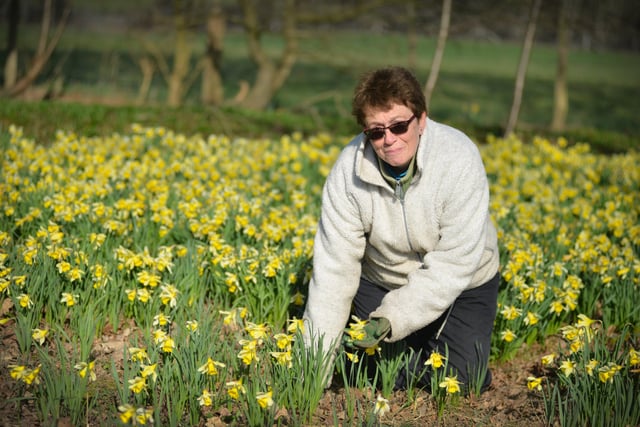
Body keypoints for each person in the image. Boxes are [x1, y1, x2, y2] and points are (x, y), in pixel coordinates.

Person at [302, 66, 500, 393]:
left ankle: (430, 348)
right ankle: (415, 348)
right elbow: (334, 270)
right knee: (356, 369)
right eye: (376, 132)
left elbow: (454, 264)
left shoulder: (458, 158)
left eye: (398, 125)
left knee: (461, 380)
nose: (389, 139)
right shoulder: (347, 173)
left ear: (421, 119)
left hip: (464, 282)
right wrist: (313, 371)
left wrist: (391, 318)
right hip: (384, 278)